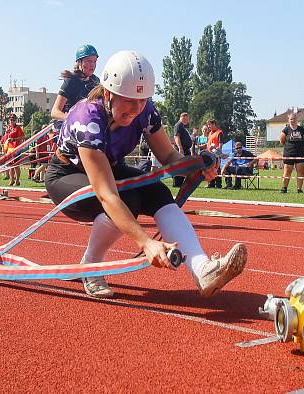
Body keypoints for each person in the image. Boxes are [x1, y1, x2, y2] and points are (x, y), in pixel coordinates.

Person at [45, 50, 246, 299]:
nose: (137, 108)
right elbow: (106, 193)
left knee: (158, 192)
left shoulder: (145, 111)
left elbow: (170, 158)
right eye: (129, 100)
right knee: (125, 199)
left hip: (110, 168)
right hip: (66, 174)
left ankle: (203, 270)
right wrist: (145, 242)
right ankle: (91, 265)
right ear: (108, 94)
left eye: (142, 100)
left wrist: (198, 165)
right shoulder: (89, 119)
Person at [50, 44, 100, 130]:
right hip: (71, 127)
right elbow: (54, 112)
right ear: (79, 62)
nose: (92, 65)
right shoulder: (71, 81)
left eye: (94, 61)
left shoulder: (96, 81)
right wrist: (73, 118)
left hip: (89, 124)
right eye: (89, 61)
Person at [280, 113, 304, 193]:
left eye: (294, 119)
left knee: (300, 171)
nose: (293, 120)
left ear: (297, 119)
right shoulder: (285, 130)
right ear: (289, 120)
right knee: (287, 171)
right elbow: (282, 141)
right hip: (289, 153)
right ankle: (284, 188)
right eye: (291, 119)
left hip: (300, 153)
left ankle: (299, 189)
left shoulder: (302, 129)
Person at [172, 112, 192, 187]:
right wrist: (180, 148)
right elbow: (176, 137)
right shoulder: (178, 126)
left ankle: (181, 182)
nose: (188, 120)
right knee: (180, 166)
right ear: (183, 117)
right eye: (187, 119)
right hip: (182, 150)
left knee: (185, 167)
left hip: (185, 150)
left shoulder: (182, 126)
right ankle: (177, 183)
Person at [4, 114, 24, 186]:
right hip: (9, 149)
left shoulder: (18, 128)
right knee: (10, 166)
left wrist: (13, 139)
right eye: (10, 119)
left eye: (13, 119)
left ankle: (17, 181)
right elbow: (5, 138)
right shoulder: (8, 128)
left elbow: (22, 137)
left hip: (16, 149)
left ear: (15, 120)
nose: (11, 121)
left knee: (16, 165)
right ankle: (11, 180)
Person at [205, 120, 224, 188]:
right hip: (209, 155)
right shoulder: (210, 133)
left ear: (214, 124)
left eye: (210, 125)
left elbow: (220, 144)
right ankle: (211, 184)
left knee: (217, 169)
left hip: (216, 154)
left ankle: (218, 185)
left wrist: (218, 153)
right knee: (210, 169)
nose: (208, 126)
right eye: (208, 125)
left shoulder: (219, 132)